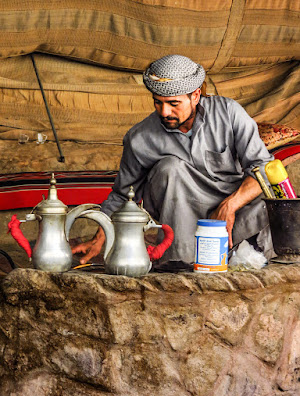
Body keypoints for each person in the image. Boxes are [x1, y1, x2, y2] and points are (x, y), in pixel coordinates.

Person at [72, 54, 274, 265]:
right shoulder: (140, 138)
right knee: (171, 168)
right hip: (181, 216)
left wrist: (229, 205)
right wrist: (98, 240)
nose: (164, 112)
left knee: (279, 213)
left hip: (233, 210)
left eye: (173, 104)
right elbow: (123, 196)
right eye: (158, 103)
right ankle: (179, 260)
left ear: (195, 96)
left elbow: (263, 167)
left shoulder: (228, 113)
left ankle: (240, 253)